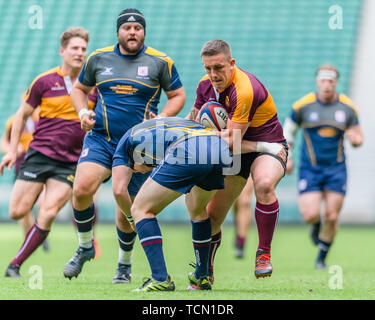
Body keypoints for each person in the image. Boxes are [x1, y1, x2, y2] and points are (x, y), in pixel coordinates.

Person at [63, 8, 185, 283]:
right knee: (81, 189)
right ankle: (84, 246)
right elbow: (79, 89)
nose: (133, 32)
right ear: (118, 31)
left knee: (125, 210)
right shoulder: (98, 58)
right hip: (101, 138)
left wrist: (163, 117)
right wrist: (83, 113)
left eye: (138, 28)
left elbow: (177, 94)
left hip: (138, 147)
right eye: (127, 28)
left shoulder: (160, 62)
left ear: (144, 31)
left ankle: (124, 265)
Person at [186, 39, 287, 282]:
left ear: (232, 64)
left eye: (218, 67)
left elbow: (231, 140)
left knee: (263, 184)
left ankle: (263, 253)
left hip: (268, 147)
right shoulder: (204, 85)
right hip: (238, 150)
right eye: (208, 68)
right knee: (212, 218)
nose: (213, 74)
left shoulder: (244, 89)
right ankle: (205, 273)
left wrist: (202, 133)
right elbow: (194, 117)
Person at [0, 27, 96, 277]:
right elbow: (20, 115)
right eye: (75, 48)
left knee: (49, 211)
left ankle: (14, 265)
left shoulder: (94, 86)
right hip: (39, 155)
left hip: (70, 162)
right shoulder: (44, 81)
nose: (80, 53)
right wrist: (11, 152)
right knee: (17, 211)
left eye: (84, 49)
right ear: (62, 51)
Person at [112, 117, 233, 291]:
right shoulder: (160, 130)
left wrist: (131, 218)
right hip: (220, 149)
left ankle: (160, 279)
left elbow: (118, 189)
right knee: (197, 210)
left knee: (140, 209)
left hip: (189, 147)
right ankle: (201, 276)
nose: (141, 170)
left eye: (135, 169)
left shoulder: (125, 145)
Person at [283, 64, 363, 269]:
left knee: (333, 215)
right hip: (310, 168)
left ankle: (321, 258)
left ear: (336, 82)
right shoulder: (303, 106)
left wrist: (355, 139)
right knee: (309, 214)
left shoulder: (347, 107)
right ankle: (316, 226)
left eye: (331, 81)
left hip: (336, 169)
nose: (327, 85)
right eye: (323, 81)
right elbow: (288, 132)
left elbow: (357, 134)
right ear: (317, 81)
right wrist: (288, 157)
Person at [1, 100, 50, 251]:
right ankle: (30, 238)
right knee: (24, 210)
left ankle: (40, 233)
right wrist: (13, 149)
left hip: (41, 168)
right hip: (21, 169)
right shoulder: (13, 121)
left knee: (43, 203)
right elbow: (4, 142)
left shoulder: (41, 119)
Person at [232, 176, 253, 259]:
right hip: (229, 165)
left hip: (248, 164)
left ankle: (241, 241)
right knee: (234, 200)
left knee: (244, 201)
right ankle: (239, 226)